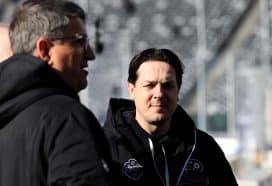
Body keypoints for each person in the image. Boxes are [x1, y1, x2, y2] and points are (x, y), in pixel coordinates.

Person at [0, 0, 112, 185]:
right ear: (45, 49)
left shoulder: (8, 118)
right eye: (80, 41)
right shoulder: (66, 117)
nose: (90, 54)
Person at [103, 48, 238, 186]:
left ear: (178, 90)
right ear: (132, 90)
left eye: (167, 85)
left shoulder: (203, 147)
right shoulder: (106, 147)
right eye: (150, 85)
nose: (159, 93)